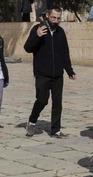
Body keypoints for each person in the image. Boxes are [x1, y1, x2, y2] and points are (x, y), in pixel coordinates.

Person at [24, 8, 76, 137]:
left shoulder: (60, 32)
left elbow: (65, 53)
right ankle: (32, 120)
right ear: (47, 16)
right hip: (42, 73)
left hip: (57, 74)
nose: (56, 20)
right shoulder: (39, 29)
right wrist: (37, 36)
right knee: (42, 100)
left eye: (58, 18)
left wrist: (69, 70)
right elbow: (28, 48)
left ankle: (55, 130)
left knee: (57, 102)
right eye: (53, 18)